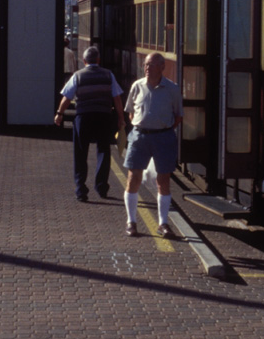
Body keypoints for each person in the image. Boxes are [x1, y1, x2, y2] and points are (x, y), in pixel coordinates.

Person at [121, 52, 183, 237]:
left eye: (152, 65)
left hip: (163, 138)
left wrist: (161, 128)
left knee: (163, 180)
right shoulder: (137, 86)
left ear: (162, 67)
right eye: (146, 65)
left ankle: (163, 224)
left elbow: (178, 116)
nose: (147, 68)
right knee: (133, 178)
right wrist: (144, 125)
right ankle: (131, 221)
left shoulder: (172, 89)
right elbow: (131, 112)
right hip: (140, 136)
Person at [56, 46, 126, 203]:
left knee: (80, 153)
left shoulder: (78, 76)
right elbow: (117, 99)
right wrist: (121, 118)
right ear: (98, 60)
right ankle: (101, 187)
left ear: (84, 60)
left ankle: (81, 189)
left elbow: (67, 97)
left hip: (83, 117)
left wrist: (60, 114)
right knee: (103, 150)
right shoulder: (108, 75)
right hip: (103, 116)